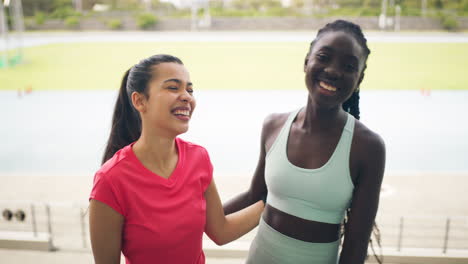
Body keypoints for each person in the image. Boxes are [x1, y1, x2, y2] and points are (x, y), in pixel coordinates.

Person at [223, 20, 386, 264]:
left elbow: (356, 242)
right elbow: (256, 197)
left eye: (349, 65)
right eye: (324, 56)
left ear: (359, 78)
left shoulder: (368, 148)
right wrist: (195, 214)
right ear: (306, 61)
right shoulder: (273, 126)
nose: (333, 70)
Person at [88, 54, 264, 264]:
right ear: (140, 100)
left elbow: (221, 231)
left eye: (189, 90)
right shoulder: (110, 180)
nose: (187, 97)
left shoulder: (198, 157)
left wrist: (274, 202)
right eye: (173, 87)